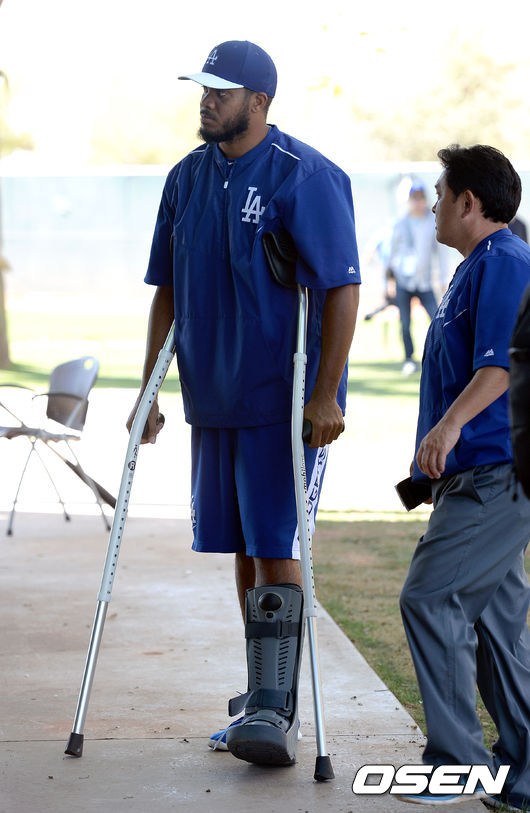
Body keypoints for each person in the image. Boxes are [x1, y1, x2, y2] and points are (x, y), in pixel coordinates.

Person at [127, 40, 360, 767]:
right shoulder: (185, 177)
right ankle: (264, 691)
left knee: (276, 546)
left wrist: (325, 392)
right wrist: (149, 388)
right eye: (203, 89)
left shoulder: (305, 175)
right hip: (213, 396)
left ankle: (276, 710)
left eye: (220, 92)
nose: (206, 101)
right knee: (241, 545)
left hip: (283, 401)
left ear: (258, 102)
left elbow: (341, 287)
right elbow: (167, 289)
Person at [398, 145, 530, 809]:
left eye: (442, 197)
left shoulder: (506, 261)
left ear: (469, 203)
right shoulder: (474, 266)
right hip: (476, 474)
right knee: (499, 630)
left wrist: (448, 429)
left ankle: (457, 763)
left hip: (495, 472)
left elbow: (501, 367)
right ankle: (525, 776)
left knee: (431, 598)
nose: (434, 210)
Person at [387, 183, 448, 375]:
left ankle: (440, 356)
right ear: (410, 201)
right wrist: (389, 281)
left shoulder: (432, 221)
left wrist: (443, 279)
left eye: (421, 198)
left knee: (437, 319)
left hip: (424, 282)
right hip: (403, 281)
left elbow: (441, 253)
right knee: (405, 324)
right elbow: (392, 253)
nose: (418, 202)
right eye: (415, 198)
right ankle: (409, 359)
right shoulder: (400, 222)